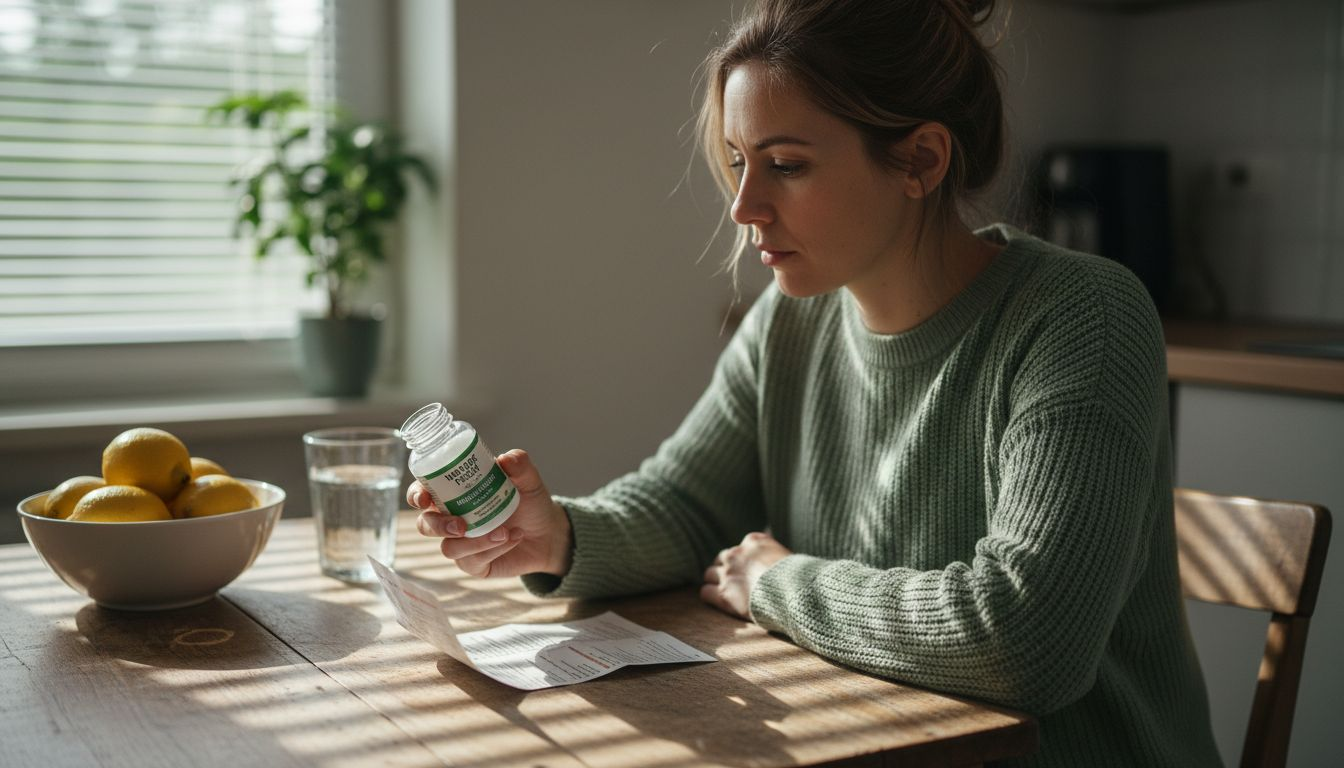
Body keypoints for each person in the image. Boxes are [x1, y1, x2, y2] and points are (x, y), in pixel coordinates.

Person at [408, 0, 1223, 764]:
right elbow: (687, 505)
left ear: (921, 160)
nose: (745, 206)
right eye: (736, 163)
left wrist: (778, 582)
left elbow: (1027, 642)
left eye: (786, 165)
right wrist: (557, 535)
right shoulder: (790, 323)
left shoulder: (1081, 316)